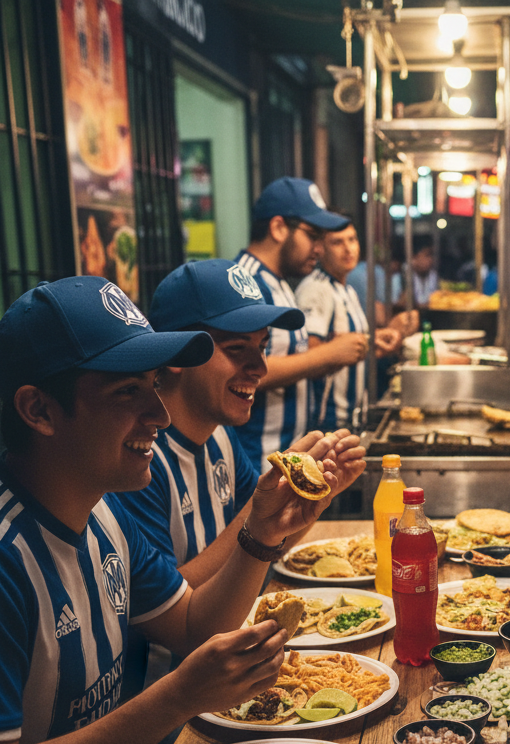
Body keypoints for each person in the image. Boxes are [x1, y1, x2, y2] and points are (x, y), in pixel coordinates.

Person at [0, 277, 354, 744]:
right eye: (128, 392)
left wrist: (260, 536)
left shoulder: (104, 515)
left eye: (155, 387)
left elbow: (191, 627)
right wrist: (181, 696)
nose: (159, 416)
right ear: (39, 410)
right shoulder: (7, 558)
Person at [115, 259, 365, 702]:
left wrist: (311, 499)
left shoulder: (222, 439)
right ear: (175, 357)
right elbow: (178, 608)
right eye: (237, 350)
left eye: (263, 347)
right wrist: (259, 517)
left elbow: (264, 546)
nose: (261, 368)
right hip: (174, 706)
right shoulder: (136, 463)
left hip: (240, 670)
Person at [234, 176, 353, 470]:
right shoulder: (244, 281)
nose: (319, 249)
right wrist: (327, 355)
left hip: (284, 456)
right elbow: (244, 372)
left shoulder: (281, 283)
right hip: (254, 459)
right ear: (277, 228)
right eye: (312, 235)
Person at [295, 219, 402, 429]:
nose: (348, 249)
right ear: (321, 249)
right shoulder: (316, 289)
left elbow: (347, 346)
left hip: (351, 418)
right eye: (337, 242)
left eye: (352, 240)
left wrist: (374, 341)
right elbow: (309, 354)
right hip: (325, 423)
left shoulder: (346, 289)